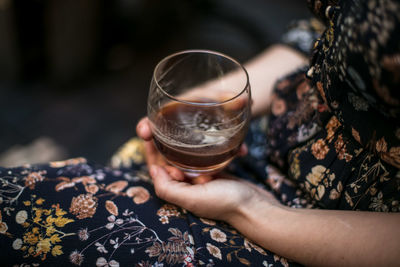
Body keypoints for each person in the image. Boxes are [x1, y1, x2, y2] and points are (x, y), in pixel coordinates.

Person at [1, 0, 399, 266]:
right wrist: (213, 98)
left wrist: (249, 209)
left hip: (321, 231)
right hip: (262, 138)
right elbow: (320, 36)